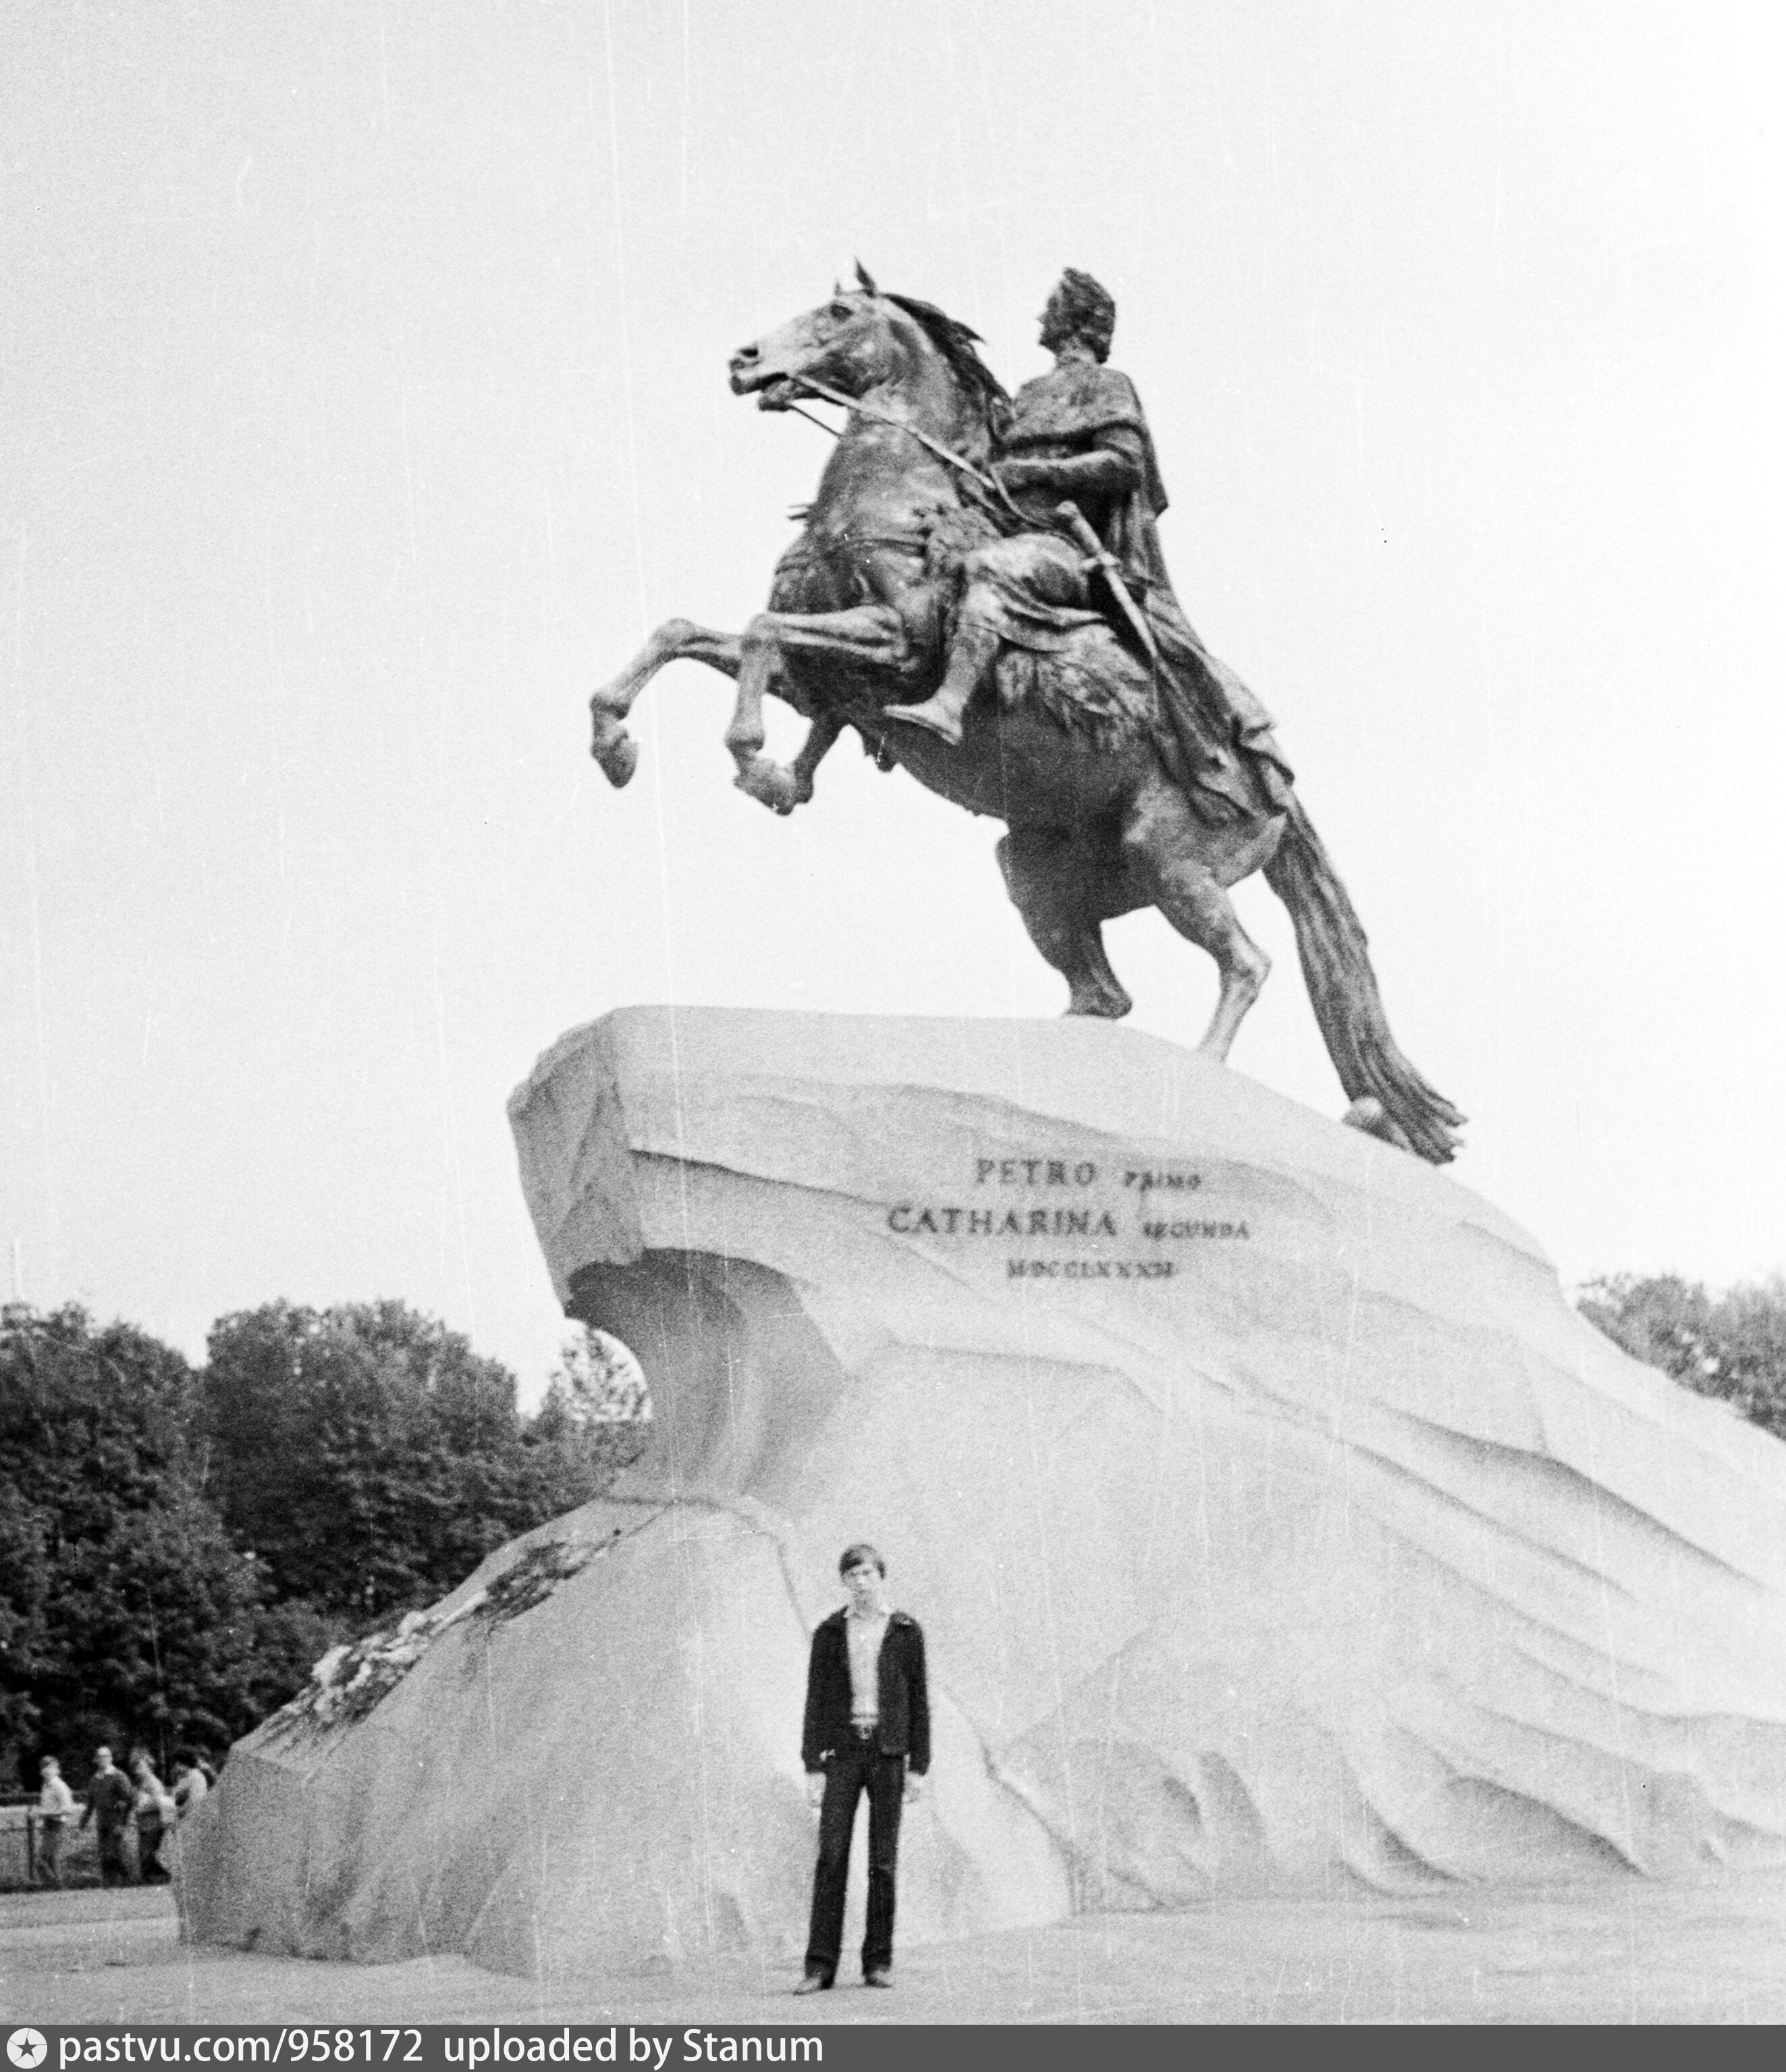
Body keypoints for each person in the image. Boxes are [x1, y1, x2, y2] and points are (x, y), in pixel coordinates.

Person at [885, 268, 1293, 821]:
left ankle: (951, 704)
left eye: (1050, 308)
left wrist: (1039, 469)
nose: (1039, 319)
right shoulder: (1027, 395)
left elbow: (1124, 464)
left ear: (1077, 321)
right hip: (1007, 525)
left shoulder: (1107, 385)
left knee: (989, 567)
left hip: (1062, 547)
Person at [793, 1544, 929, 1994]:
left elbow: (918, 1702)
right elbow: (815, 1702)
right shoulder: (830, 1632)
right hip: (844, 1757)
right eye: (852, 1575)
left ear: (881, 1576)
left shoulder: (906, 1631)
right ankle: (819, 1967)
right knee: (831, 1857)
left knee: (883, 1863)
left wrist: (918, 1766)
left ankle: (878, 1963)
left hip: (889, 1756)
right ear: (845, 1582)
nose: (861, 1582)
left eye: (868, 1573)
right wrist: (814, 1765)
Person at [78, 1743, 136, 1886]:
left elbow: (128, 1800)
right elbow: (91, 1804)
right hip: (102, 1821)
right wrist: (83, 1821)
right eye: (99, 1757)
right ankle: (108, 1882)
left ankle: (127, 1880)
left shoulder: (119, 1776)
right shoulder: (95, 1779)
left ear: (110, 1759)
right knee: (104, 1854)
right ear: (96, 1760)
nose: (102, 1759)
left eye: (105, 1756)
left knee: (115, 1852)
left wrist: (122, 1823)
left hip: (116, 1820)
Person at [129, 1749, 175, 1884]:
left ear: (149, 1767)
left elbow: (158, 1802)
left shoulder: (153, 1783)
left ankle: (166, 1878)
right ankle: (152, 1881)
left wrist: (140, 1810)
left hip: (154, 1826)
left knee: (147, 1854)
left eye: (140, 1766)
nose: (137, 1769)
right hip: (144, 1826)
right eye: (136, 1766)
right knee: (144, 1856)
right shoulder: (140, 1783)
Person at [35, 1755, 76, 1887]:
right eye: (44, 1768)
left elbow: (68, 1809)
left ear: (57, 1770)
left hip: (58, 1824)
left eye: (50, 1767)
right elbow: (46, 1807)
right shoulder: (46, 1786)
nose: (46, 1771)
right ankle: (57, 1886)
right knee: (52, 1858)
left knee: (42, 1859)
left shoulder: (60, 1786)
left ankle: (54, 1884)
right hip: (49, 1824)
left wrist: (45, 1814)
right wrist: (43, 1820)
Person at [171, 1748, 210, 1819]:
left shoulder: (196, 1777)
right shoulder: (183, 1777)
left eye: (177, 1765)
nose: (176, 1768)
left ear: (185, 1764)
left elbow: (195, 1801)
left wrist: (178, 1811)